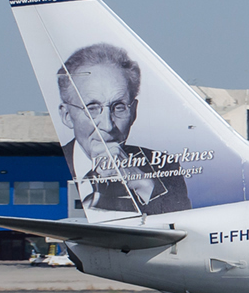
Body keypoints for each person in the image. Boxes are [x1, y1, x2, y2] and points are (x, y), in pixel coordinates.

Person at [57, 43, 191, 214]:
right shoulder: (53, 165)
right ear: (67, 115)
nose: (107, 126)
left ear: (134, 112)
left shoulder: (162, 166)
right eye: (92, 108)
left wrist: (143, 184)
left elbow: (181, 222)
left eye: (119, 107)